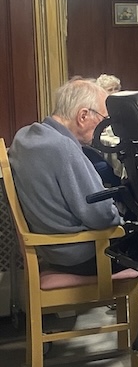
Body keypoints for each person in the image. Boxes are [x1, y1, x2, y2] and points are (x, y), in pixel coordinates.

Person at [8, 78, 121, 275]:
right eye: (103, 120)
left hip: (47, 248)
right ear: (83, 116)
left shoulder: (24, 136)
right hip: (78, 254)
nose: (104, 127)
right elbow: (100, 215)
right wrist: (121, 217)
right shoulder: (63, 147)